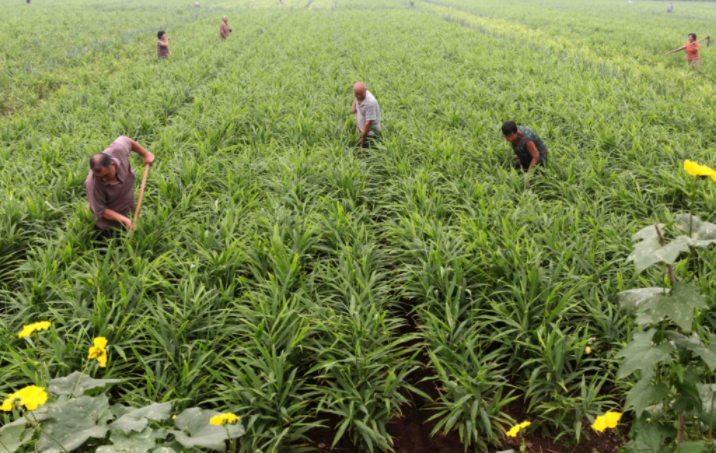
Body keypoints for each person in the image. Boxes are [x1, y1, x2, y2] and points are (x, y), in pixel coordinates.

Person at [85, 137, 155, 239]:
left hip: (129, 215)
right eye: (99, 177)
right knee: (111, 250)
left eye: (106, 175)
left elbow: (125, 140)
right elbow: (101, 210)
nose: (103, 180)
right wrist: (125, 220)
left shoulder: (117, 150)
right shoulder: (92, 183)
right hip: (108, 226)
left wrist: (145, 153)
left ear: (113, 164)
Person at [351, 82, 381, 149]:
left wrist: (362, 137)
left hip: (370, 134)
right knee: (361, 149)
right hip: (362, 130)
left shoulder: (370, 102)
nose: (358, 96)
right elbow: (357, 98)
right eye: (356, 94)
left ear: (365, 90)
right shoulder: (359, 94)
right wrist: (354, 105)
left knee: (369, 153)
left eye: (360, 94)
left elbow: (368, 123)